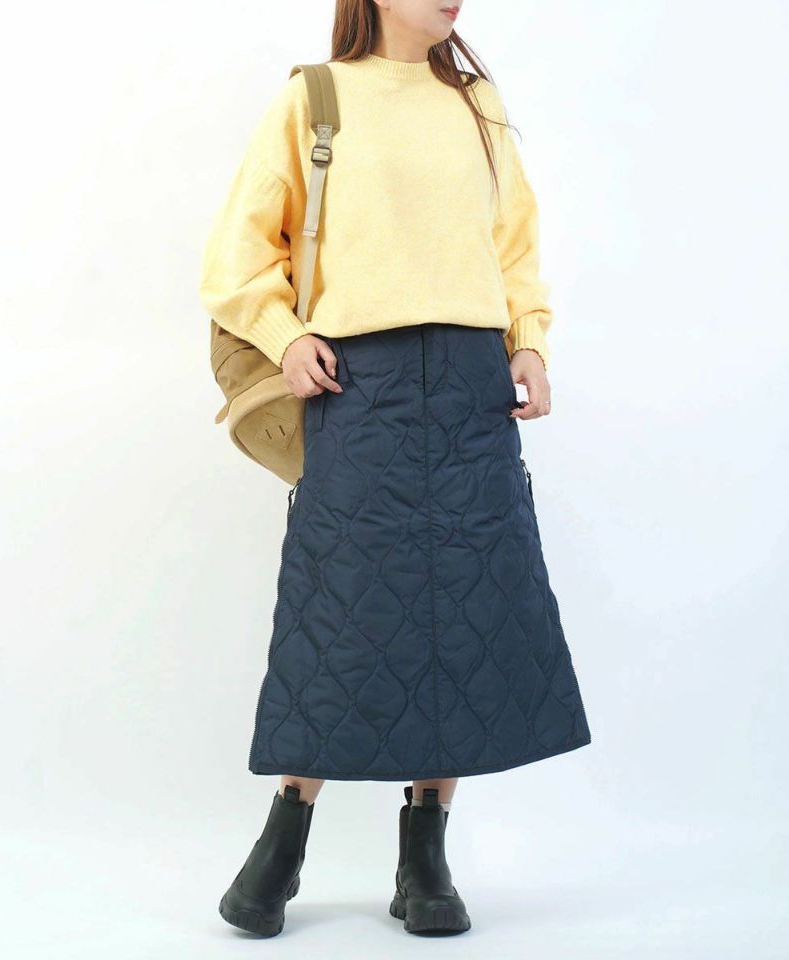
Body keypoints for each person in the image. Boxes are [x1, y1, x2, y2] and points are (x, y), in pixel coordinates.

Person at [198, 0, 591, 939]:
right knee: (338, 616)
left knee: (462, 616)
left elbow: (514, 246)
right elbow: (238, 253)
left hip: (470, 386)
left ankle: (425, 859)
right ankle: (284, 838)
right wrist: (285, 336)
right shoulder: (316, 98)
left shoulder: (478, 104)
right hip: (356, 384)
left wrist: (529, 343)